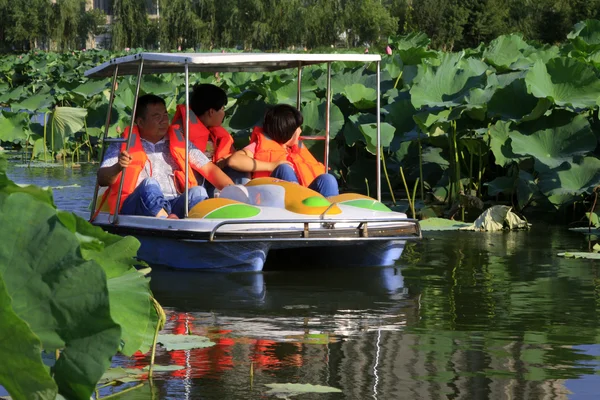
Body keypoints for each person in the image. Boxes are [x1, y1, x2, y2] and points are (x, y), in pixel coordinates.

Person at [97, 94, 234, 219]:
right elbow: (102, 179)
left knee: (198, 191)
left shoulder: (181, 143)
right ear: (140, 122)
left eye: (165, 115)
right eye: (157, 117)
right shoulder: (122, 144)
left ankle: (190, 226)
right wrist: (118, 167)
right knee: (149, 184)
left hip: (173, 204)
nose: (164, 121)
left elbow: (209, 170)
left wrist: (235, 192)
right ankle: (165, 222)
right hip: (136, 206)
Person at [225, 104, 339, 197]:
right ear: (286, 132)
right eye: (296, 128)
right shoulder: (258, 146)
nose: (300, 131)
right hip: (275, 200)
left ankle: (331, 218)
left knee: (328, 179)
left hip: (307, 199)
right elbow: (234, 160)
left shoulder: (297, 148)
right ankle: (296, 205)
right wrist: (272, 166)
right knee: (284, 169)